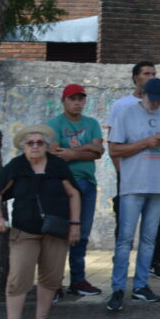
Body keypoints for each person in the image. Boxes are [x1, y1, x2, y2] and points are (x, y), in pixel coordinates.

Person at [0, 125, 81, 319]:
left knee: (51, 276)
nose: (35, 146)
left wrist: (75, 225)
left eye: (39, 143)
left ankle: (42, 318)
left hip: (55, 230)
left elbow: (74, 194)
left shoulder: (57, 165)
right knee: (19, 276)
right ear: (24, 146)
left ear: (46, 146)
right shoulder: (17, 166)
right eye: (30, 143)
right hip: (24, 231)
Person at [106, 78, 160, 311]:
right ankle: (118, 288)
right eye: (153, 99)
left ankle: (141, 285)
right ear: (143, 95)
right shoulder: (126, 113)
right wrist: (146, 142)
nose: (156, 104)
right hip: (132, 185)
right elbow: (114, 149)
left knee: (149, 239)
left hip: (157, 186)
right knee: (125, 239)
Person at [46, 84, 104, 297]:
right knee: (60, 233)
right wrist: (86, 148)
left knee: (82, 234)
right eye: (72, 99)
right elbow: (55, 154)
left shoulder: (92, 123)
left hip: (88, 183)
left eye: (81, 99)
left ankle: (78, 280)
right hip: (63, 184)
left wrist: (71, 153)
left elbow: (99, 151)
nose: (77, 103)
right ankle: (54, 283)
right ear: (63, 101)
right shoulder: (54, 124)